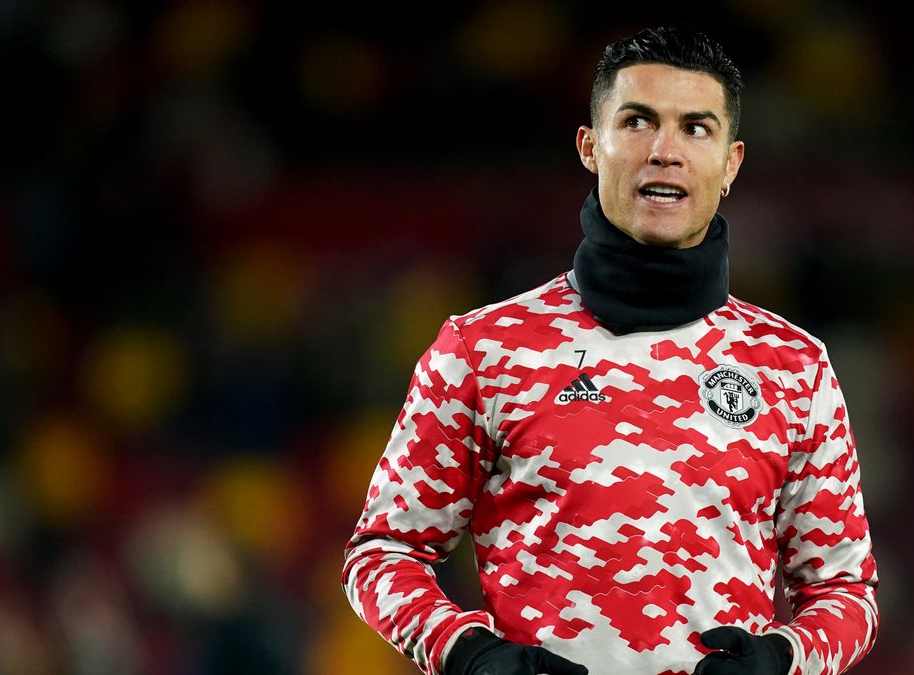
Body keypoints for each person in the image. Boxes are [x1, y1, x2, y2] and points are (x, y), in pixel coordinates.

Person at [343, 25, 878, 675]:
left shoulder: (794, 366)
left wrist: (784, 656)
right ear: (590, 146)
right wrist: (467, 653)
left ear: (732, 163)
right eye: (637, 121)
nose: (664, 150)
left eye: (696, 128)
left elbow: (845, 591)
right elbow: (383, 551)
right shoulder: (481, 350)